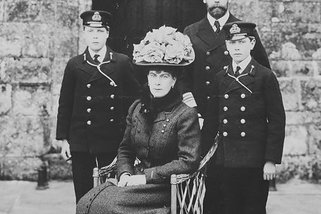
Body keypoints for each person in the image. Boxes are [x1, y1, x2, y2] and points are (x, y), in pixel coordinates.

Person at [76, 26, 201, 214]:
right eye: (153, 75)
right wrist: (125, 172)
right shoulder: (137, 108)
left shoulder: (184, 113)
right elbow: (125, 148)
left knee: (111, 206)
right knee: (86, 202)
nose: (157, 82)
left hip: (165, 186)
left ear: (174, 81)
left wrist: (146, 177)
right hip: (132, 181)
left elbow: (188, 161)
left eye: (164, 76)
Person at [180, 1, 272, 213]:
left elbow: (262, 74)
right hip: (205, 122)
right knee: (216, 196)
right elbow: (183, 76)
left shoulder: (245, 29)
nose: (217, 1)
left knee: (246, 199)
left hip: (237, 130)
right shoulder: (191, 31)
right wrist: (192, 107)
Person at [55, 10, 141, 204]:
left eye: (100, 31)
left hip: (112, 139)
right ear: (84, 32)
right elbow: (65, 103)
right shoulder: (74, 64)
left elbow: (135, 100)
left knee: (110, 194)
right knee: (83, 193)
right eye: (91, 31)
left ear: (107, 33)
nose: (95, 36)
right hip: (81, 140)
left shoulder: (121, 62)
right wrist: (63, 139)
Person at [202, 21, 286, 214]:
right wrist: (201, 157)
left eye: (242, 42)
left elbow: (276, 121)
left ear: (252, 43)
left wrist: (270, 160)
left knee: (252, 208)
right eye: (232, 43)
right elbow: (211, 122)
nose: (237, 47)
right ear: (226, 46)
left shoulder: (265, 77)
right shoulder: (220, 77)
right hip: (224, 159)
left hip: (254, 161)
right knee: (222, 207)